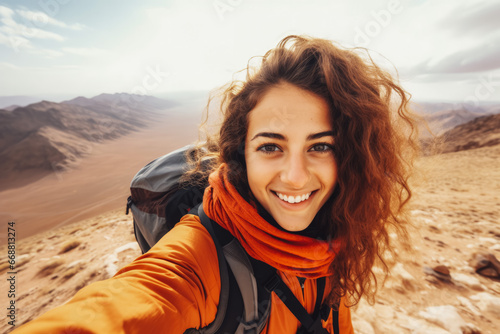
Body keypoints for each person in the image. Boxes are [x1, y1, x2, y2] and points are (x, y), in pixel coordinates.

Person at [12, 35, 418, 333]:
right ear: (241, 154)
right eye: (271, 147)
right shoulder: (199, 256)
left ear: (349, 156)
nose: (295, 175)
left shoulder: (332, 231)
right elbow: (122, 310)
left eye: (321, 146)